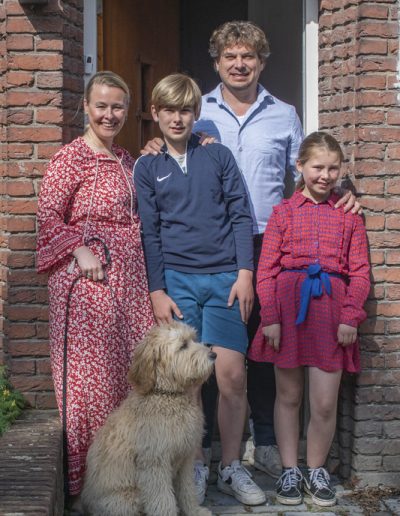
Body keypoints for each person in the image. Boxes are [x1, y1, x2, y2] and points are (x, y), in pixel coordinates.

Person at [142, 21, 360, 481]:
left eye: (248, 57)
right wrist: (157, 144)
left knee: (263, 344)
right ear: (217, 63)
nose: (239, 65)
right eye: (230, 57)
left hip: (271, 240)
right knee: (205, 351)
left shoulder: (284, 113)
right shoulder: (199, 113)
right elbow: (174, 149)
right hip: (211, 248)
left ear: (261, 62)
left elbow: (302, 173)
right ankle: (202, 448)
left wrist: (345, 190)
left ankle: (263, 442)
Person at [134, 73, 266, 506]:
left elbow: (241, 216)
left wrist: (245, 273)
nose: (177, 118)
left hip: (226, 279)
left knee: (231, 376)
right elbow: (149, 233)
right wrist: (157, 290)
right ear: (156, 113)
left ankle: (230, 466)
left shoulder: (219, 156)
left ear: (197, 113)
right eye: (168, 110)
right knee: (188, 381)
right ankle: (193, 464)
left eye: (185, 110)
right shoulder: (147, 166)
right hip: (178, 281)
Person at [36, 71, 154, 509]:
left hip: (129, 280)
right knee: (91, 384)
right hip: (87, 281)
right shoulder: (70, 158)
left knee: (129, 379)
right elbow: (48, 216)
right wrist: (78, 248)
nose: (110, 114)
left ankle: (123, 482)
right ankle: (89, 487)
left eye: (118, 106)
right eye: (101, 105)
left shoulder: (126, 160)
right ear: (85, 107)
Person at [249, 132, 370, 507]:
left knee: (323, 403)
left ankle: (316, 470)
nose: (326, 175)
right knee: (288, 396)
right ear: (299, 166)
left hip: (331, 315)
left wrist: (350, 315)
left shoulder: (349, 216)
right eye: (318, 167)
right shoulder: (283, 212)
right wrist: (269, 316)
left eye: (334, 168)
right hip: (287, 313)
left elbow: (361, 272)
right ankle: (289, 470)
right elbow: (265, 270)